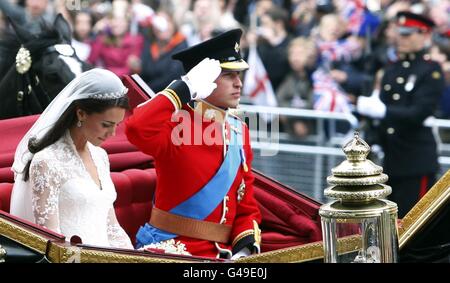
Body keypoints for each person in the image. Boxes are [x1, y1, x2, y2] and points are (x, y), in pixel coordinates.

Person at [125, 29, 262, 258]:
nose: (239, 83)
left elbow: (246, 205)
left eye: (239, 75)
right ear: (204, 80)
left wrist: (245, 250)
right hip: (171, 248)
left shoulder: (239, 130)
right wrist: (184, 88)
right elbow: (135, 128)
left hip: (224, 253)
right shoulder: (174, 123)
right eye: (229, 76)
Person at [10, 68, 133, 249]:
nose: (113, 133)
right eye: (106, 125)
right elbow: (51, 241)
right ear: (81, 113)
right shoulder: (46, 161)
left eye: (117, 125)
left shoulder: (101, 157)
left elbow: (111, 227)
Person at [356, 11, 446, 218]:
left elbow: (418, 113)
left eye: (408, 34)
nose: (401, 38)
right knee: (387, 224)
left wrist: (382, 111)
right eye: (400, 33)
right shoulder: (392, 69)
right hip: (390, 160)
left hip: (415, 161)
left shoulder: (430, 71)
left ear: (424, 35)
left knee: (413, 225)